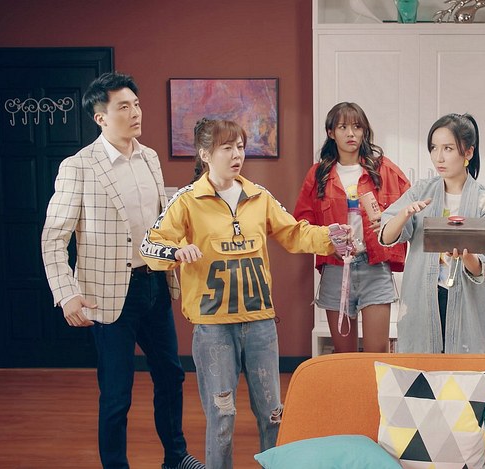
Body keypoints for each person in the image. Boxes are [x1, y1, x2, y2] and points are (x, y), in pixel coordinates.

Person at [140, 118, 347, 468]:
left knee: (273, 415)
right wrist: (176, 251)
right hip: (213, 328)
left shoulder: (259, 196)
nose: (237, 155)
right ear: (206, 154)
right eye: (227, 148)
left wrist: (331, 236)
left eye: (240, 147)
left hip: (260, 324)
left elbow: (295, 233)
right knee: (222, 418)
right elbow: (150, 245)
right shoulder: (187, 201)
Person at [40, 72, 203, 469]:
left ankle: (175, 457)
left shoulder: (150, 158)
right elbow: (53, 237)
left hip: (155, 286)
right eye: (124, 107)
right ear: (101, 117)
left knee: (171, 377)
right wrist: (67, 294)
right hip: (108, 295)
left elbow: (159, 224)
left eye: (137, 104)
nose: (135, 113)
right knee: (117, 394)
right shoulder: (78, 167)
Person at [379, 113, 485, 353]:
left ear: (468, 152)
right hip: (423, 298)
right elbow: (386, 236)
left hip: (467, 303)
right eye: (434, 148)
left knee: (466, 368)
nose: (439, 157)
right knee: (422, 366)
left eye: (448, 148)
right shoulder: (421, 191)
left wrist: (464, 256)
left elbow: (483, 265)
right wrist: (404, 214)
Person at [294, 102, 410, 353]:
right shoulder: (318, 175)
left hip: (375, 267)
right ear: (330, 132)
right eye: (343, 127)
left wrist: (391, 222)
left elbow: (410, 209)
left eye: (357, 127)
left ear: (364, 131)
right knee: (343, 357)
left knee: (376, 354)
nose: (350, 133)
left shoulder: (384, 170)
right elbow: (302, 224)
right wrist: (328, 244)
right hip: (336, 270)